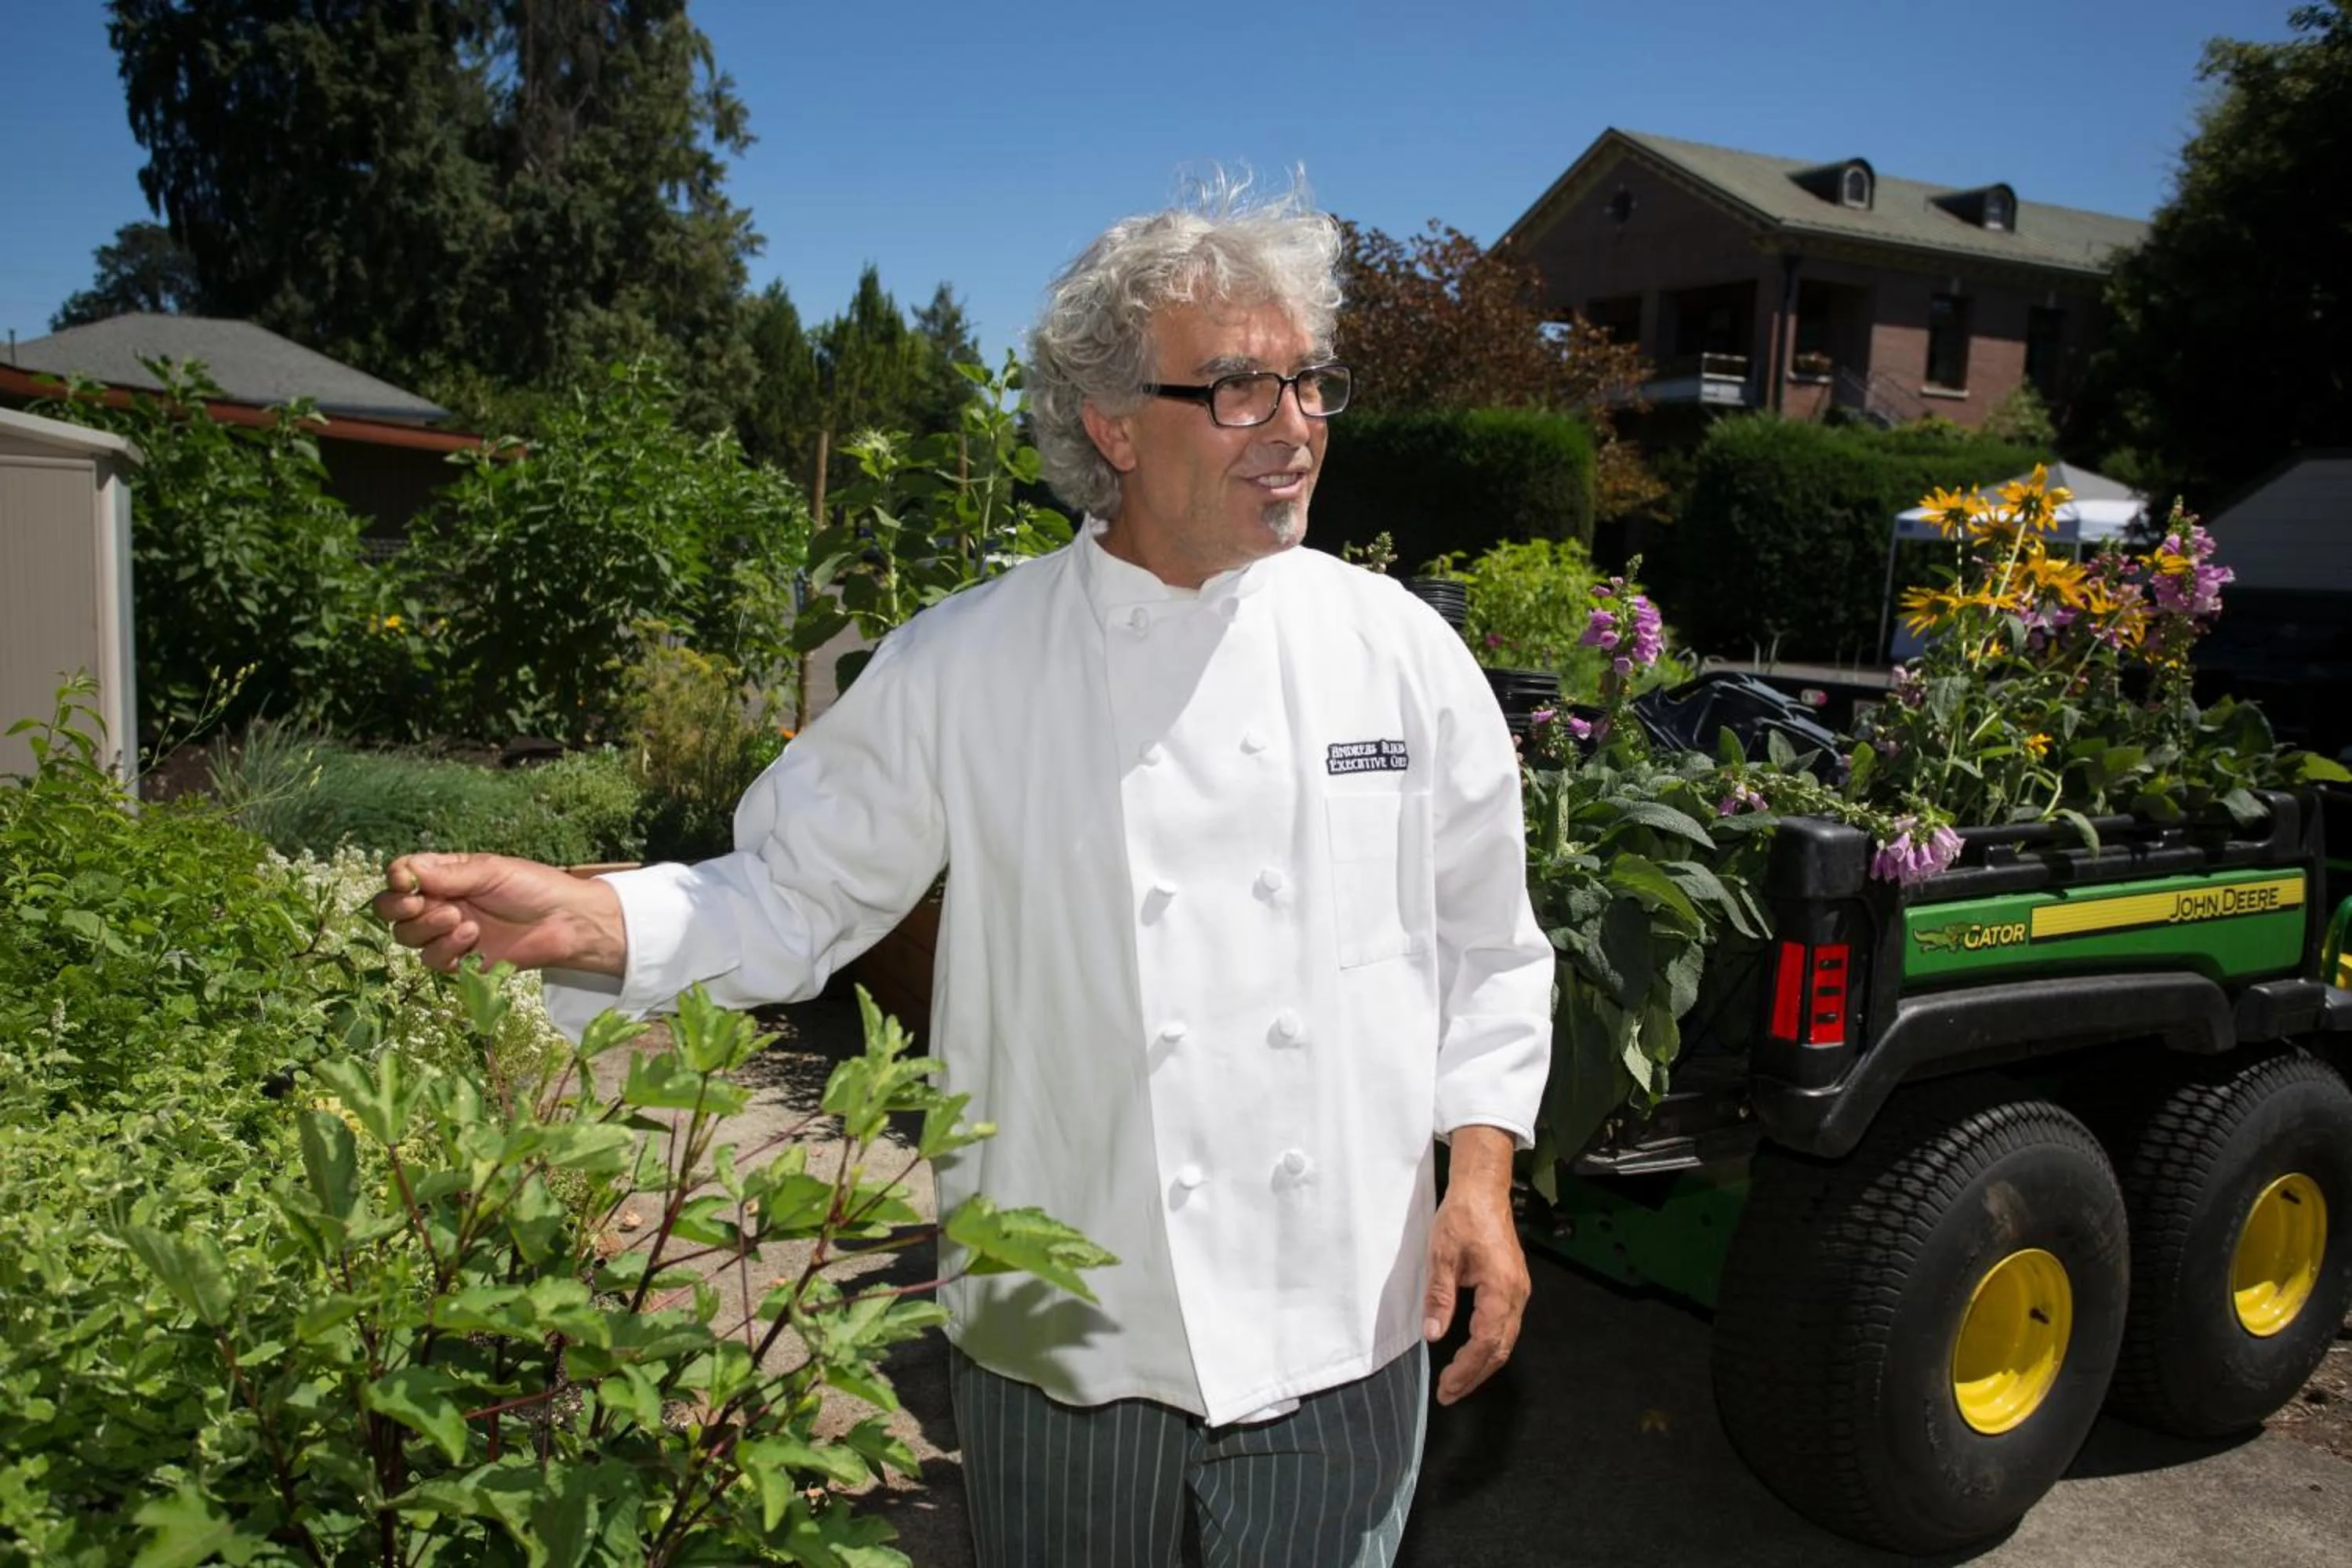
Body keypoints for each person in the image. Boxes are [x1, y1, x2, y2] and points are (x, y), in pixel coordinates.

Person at [372, 176, 1552, 1567]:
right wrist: (585, 918)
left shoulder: (1400, 652)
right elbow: (792, 893)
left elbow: (1489, 947)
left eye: (1310, 381)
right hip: (1069, 1319)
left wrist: (1481, 1180)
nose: (1295, 425)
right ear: (1112, 424)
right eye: (1240, 388)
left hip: (1346, 1313)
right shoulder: (965, 661)